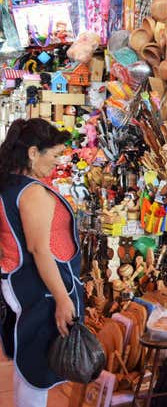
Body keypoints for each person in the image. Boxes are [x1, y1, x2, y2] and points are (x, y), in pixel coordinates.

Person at [0, 119, 83, 407]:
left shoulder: (11, 182)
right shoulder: (32, 192)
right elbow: (39, 249)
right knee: (36, 368)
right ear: (33, 153)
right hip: (37, 289)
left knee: (28, 361)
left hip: (19, 282)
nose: (58, 162)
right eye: (55, 155)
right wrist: (62, 298)